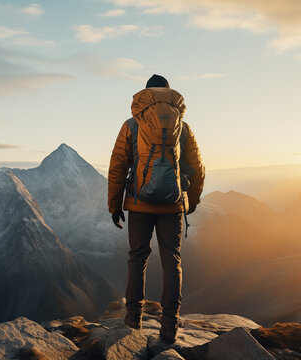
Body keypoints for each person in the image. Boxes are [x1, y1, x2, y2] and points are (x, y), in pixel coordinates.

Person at [107, 74, 205, 342]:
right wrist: (192, 199)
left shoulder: (132, 125)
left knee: (137, 258)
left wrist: (115, 204)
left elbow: (118, 166)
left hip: (139, 204)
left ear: (145, 95)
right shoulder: (182, 128)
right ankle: (169, 326)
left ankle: (133, 320)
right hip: (172, 205)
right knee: (172, 261)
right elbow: (196, 167)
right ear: (170, 95)